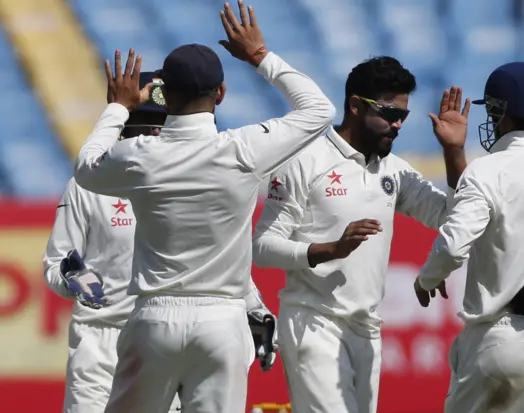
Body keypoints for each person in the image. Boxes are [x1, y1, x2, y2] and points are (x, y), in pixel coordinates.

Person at [72, 1, 335, 412]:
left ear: (163, 94)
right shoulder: (245, 149)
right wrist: (260, 56)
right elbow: (320, 110)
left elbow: (86, 169)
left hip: (153, 320)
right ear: (222, 93)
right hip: (222, 322)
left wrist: (118, 107)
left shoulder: (140, 154)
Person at [252, 56, 470, 413]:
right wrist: (331, 249)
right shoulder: (306, 160)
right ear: (354, 105)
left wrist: (453, 152)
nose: (396, 124)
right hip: (313, 322)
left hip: (367, 330)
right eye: (388, 113)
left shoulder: (394, 171)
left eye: (403, 115)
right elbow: (262, 247)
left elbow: (454, 218)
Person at [414, 62, 524, 413]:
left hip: (499, 339)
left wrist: (427, 278)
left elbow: (454, 242)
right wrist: (454, 154)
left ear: (500, 112)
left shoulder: (487, 170)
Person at [43, 71, 183, 413]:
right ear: (124, 125)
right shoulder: (88, 182)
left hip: (166, 340)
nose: (154, 135)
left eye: (162, 126)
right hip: (101, 342)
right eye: (146, 124)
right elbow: (56, 262)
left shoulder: (188, 182)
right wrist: (75, 279)